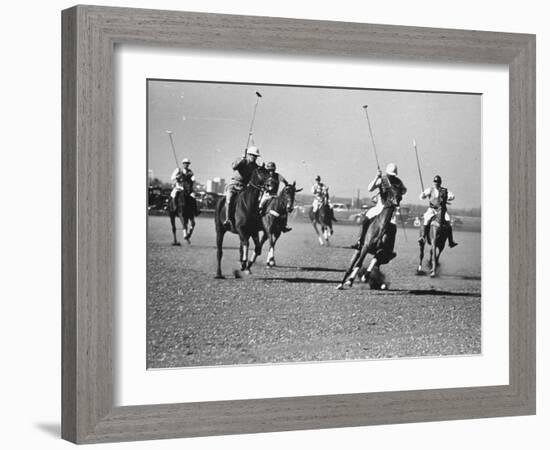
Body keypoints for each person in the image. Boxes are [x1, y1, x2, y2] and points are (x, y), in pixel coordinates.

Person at [350, 163, 407, 250]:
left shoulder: (398, 182)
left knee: (393, 229)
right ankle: (360, 241)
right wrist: (377, 177)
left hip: (391, 209)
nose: (391, 177)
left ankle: (389, 250)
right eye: (390, 175)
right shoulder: (382, 179)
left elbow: (404, 190)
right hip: (379, 207)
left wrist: (397, 191)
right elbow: (370, 188)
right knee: (365, 220)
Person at [224, 145, 261, 228]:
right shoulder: (242, 161)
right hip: (234, 185)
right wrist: (241, 159)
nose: (254, 157)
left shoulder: (255, 166)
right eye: (253, 155)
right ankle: (227, 219)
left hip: (244, 188)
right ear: (248, 154)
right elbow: (234, 166)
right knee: (229, 200)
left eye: (256, 156)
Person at [418, 175, 458, 247]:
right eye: (435, 181)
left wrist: (447, 197)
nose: (436, 183)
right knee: (426, 219)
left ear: (440, 182)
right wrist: (423, 195)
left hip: (441, 210)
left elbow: (452, 196)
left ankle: (450, 241)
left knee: (448, 220)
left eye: (438, 182)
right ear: (433, 182)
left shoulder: (444, 190)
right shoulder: (430, 190)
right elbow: (421, 197)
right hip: (432, 209)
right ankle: (423, 237)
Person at [259, 162, 292, 232]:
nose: (271, 172)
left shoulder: (278, 175)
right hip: (266, 195)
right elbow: (260, 183)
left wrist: (287, 185)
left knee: (284, 209)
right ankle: (258, 222)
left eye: (272, 170)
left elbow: (285, 181)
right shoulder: (265, 176)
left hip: (274, 195)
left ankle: (284, 225)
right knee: (260, 206)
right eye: (269, 170)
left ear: (274, 170)